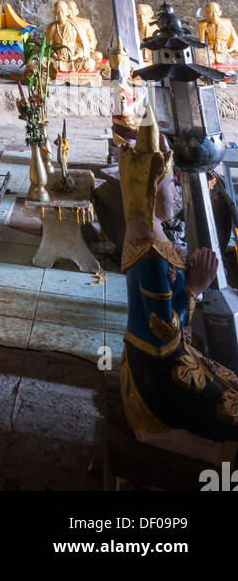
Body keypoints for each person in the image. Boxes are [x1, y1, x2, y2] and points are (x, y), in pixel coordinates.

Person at [119, 120, 238, 465]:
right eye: (169, 181)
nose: (175, 185)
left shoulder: (150, 236)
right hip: (156, 374)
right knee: (228, 419)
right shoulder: (150, 253)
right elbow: (164, 328)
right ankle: (176, 438)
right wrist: (195, 288)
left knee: (229, 384)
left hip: (161, 358)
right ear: (148, 191)